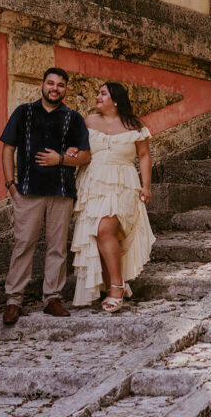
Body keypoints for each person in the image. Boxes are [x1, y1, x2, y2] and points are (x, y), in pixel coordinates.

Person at [0, 67, 91, 323]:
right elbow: (8, 149)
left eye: (60, 85)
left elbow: (85, 156)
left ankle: (52, 298)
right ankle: (14, 300)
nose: (55, 88)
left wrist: (60, 159)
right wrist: (10, 184)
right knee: (23, 244)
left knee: (57, 247)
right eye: (50, 83)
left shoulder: (73, 118)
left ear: (65, 89)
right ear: (42, 85)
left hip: (61, 192)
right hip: (28, 191)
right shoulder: (23, 113)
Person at [69, 81, 155, 312]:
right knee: (99, 235)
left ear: (115, 99)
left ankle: (116, 287)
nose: (98, 97)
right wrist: (72, 151)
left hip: (123, 183)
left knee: (105, 229)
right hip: (93, 183)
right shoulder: (89, 121)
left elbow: (144, 156)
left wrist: (146, 186)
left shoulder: (135, 125)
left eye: (103, 93)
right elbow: (80, 148)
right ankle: (113, 285)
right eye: (98, 93)